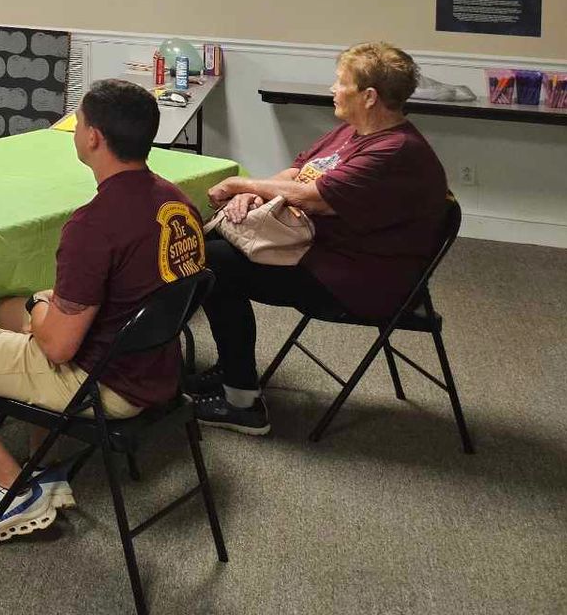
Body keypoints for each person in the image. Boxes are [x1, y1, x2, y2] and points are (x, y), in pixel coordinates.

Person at [0, 80, 207, 544]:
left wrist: (42, 306)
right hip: (157, 367)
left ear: (93, 138)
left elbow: (58, 347)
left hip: (104, 382)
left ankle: (14, 489)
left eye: (79, 122)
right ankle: (42, 456)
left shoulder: (92, 224)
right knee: (3, 308)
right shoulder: (176, 200)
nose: (77, 129)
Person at [192, 41, 449, 435]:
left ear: (369, 96)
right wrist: (254, 191)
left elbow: (314, 197)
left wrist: (239, 183)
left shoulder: (396, 152)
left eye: (340, 82)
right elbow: (297, 174)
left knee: (213, 263)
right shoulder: (352, 131)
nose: (333, 88)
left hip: (357, 281)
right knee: (209, 252)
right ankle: (233, 371)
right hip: (322, 253)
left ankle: (242, 401)